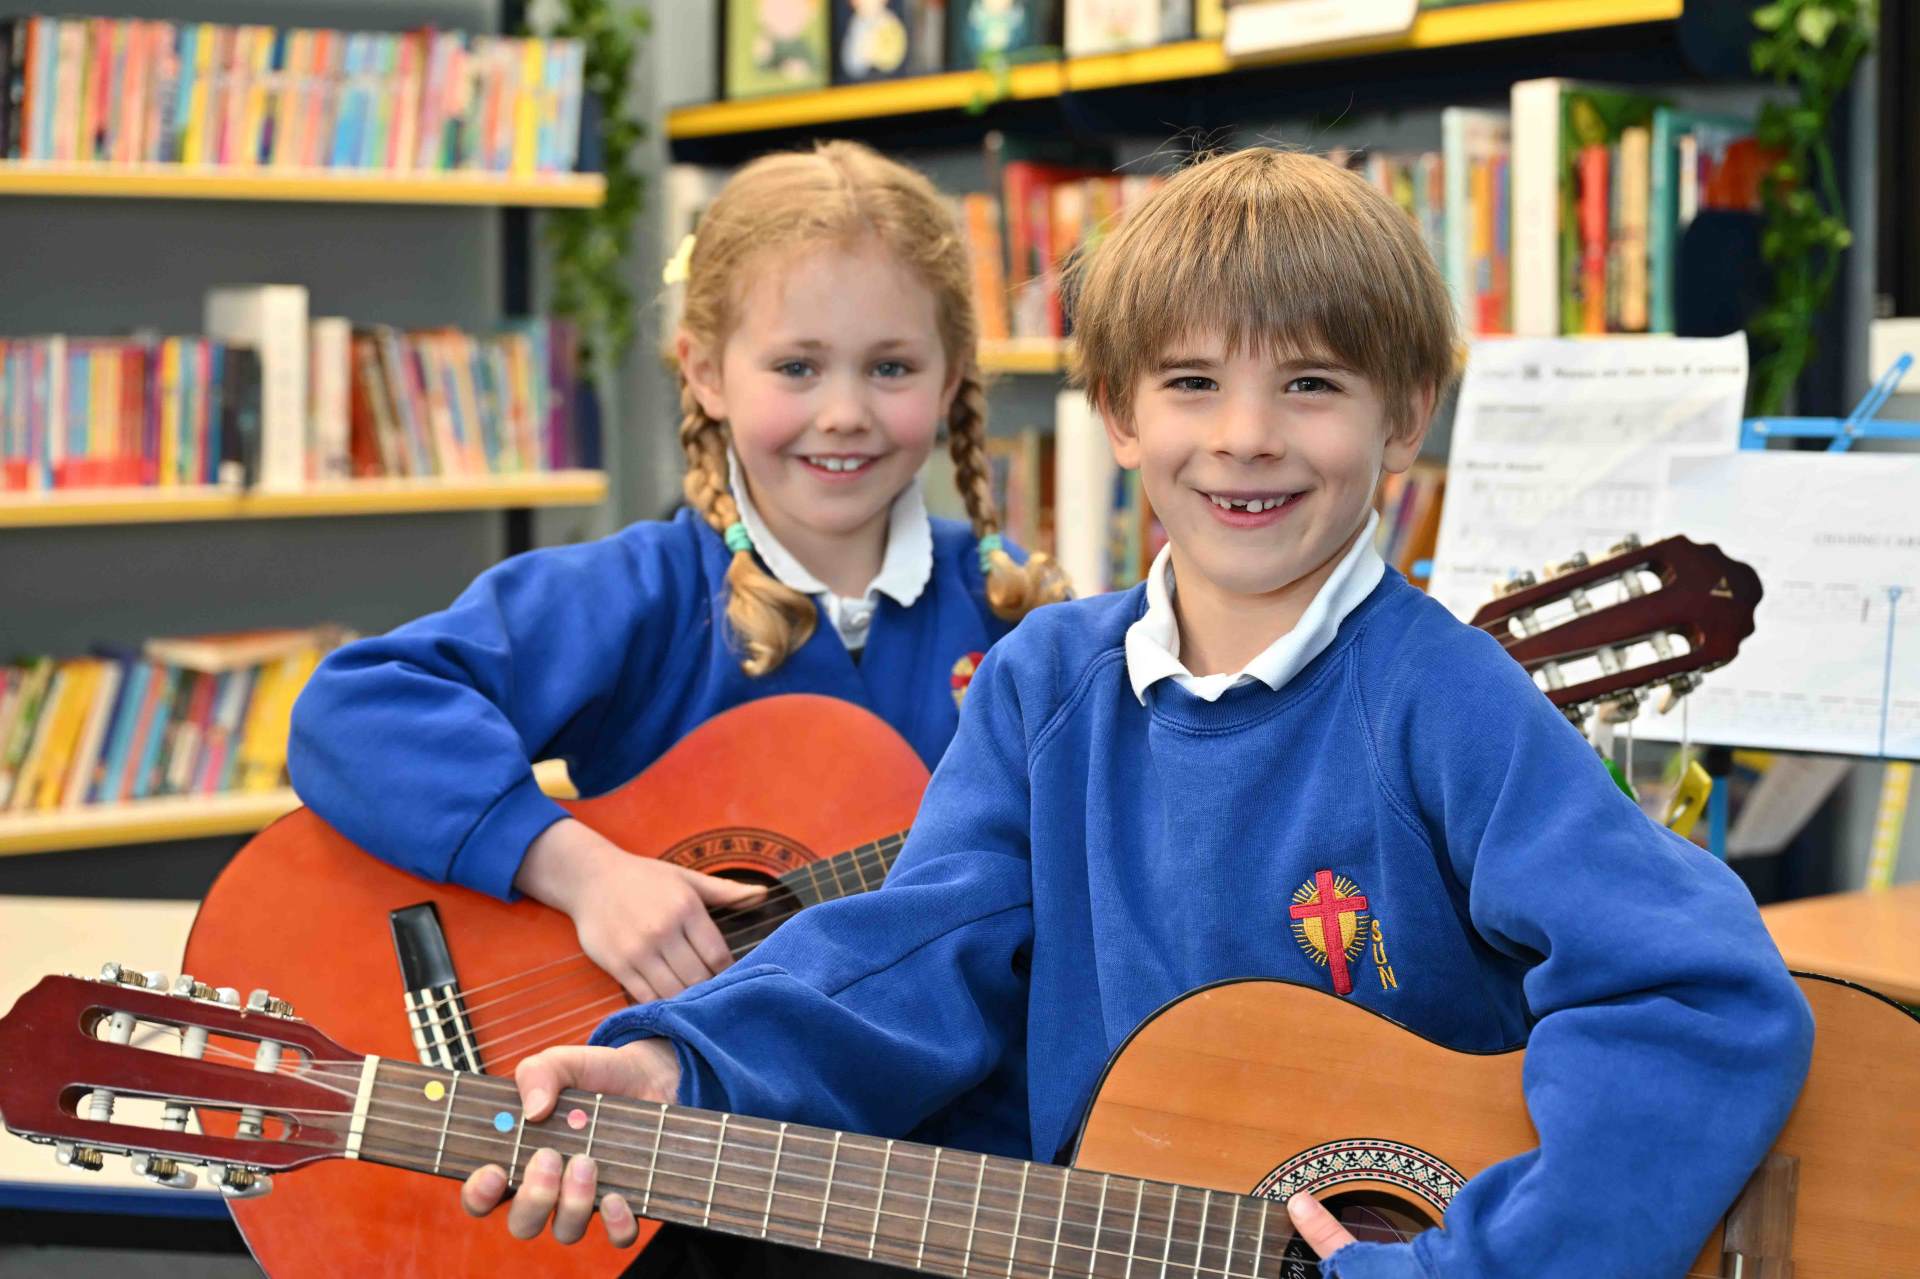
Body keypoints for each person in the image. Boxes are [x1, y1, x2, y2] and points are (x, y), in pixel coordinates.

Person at [461, 146, 1813, 1278]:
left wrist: (1482, 1263)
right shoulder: (1046, 679)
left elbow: (1699, 996)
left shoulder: (1450, 698)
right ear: (1115, 412)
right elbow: (911, 953)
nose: (1245, 434)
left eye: (1311, 383)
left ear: (1406, 416)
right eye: (1191, 382)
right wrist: (683, 1065)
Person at [287, 139, 1069, 1012]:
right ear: (705, 373)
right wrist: (581, 872)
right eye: (797, 367)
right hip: (646, 1075)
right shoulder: (643, 592)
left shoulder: (1021, 620)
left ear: (951, 377)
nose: (845, 413)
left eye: (891, 368)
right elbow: (352, 708)